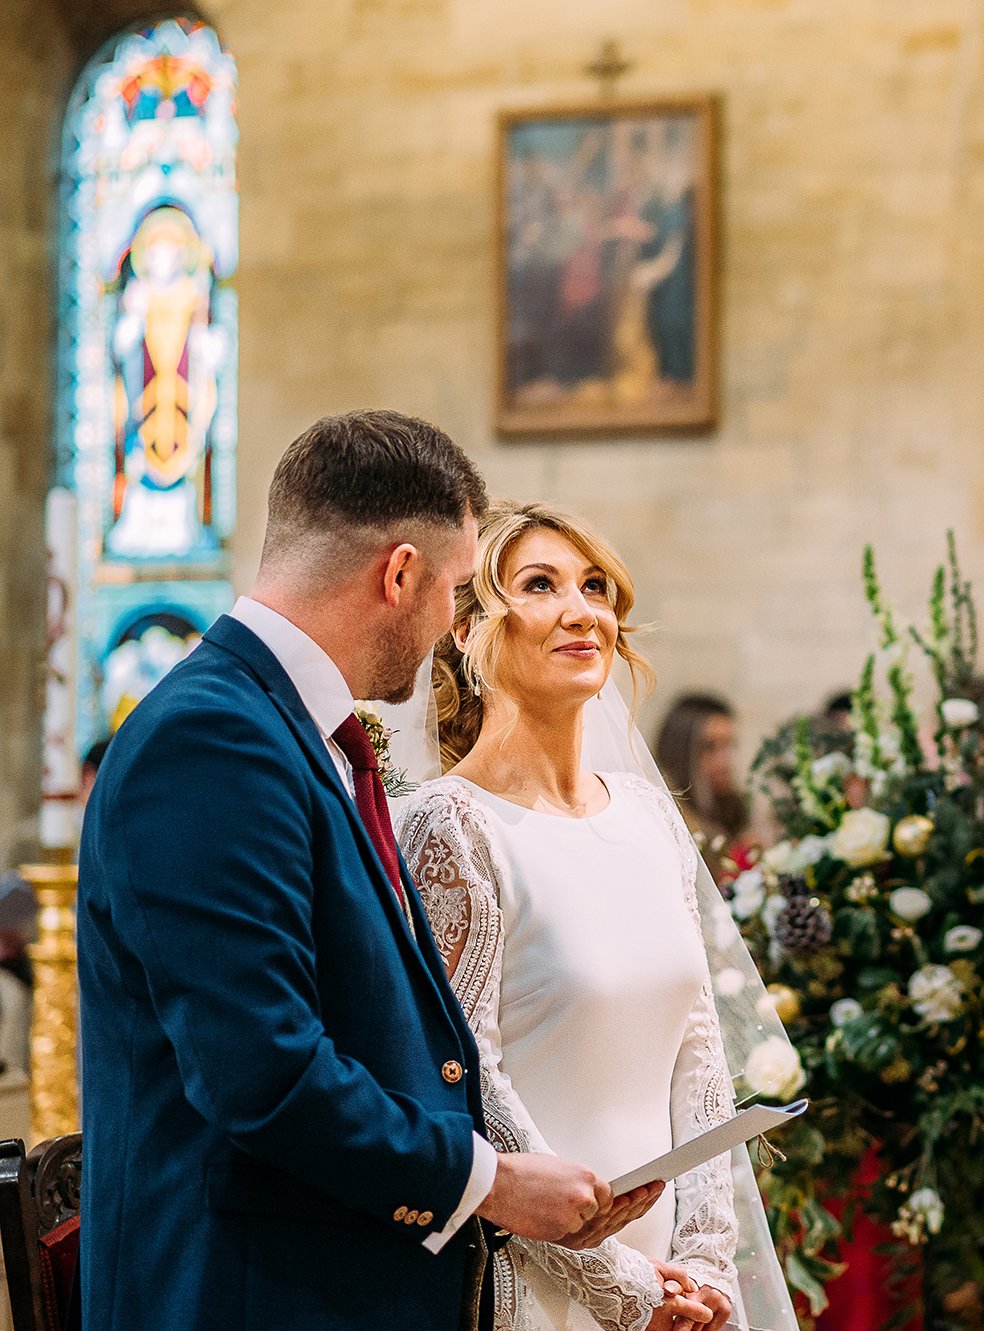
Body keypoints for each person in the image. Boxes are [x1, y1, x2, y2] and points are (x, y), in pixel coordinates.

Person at [77, 412, 653, 1331]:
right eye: (456, 590)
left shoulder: (294, 729)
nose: (449, 629)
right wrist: (493, 1182)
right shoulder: (212, 738)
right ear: (399, 574)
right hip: (247, 1295)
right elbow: (261, 1071)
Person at [399, 503, 797, 1331]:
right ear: (470, 630)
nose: (584, 609)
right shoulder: (452, 823)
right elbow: (470, 1079)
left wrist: (704, 1263)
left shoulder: (650, 816)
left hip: (676, 1278)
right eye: (539, 585)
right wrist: (625, 1288)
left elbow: (699, 1051)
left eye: (596, 587)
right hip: (536, 1273)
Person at [653, 692, 752, 880]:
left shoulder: (732, 808)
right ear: (680, 752)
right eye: (710, 747)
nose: (724, 761)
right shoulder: (666, 822)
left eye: (729, 746)